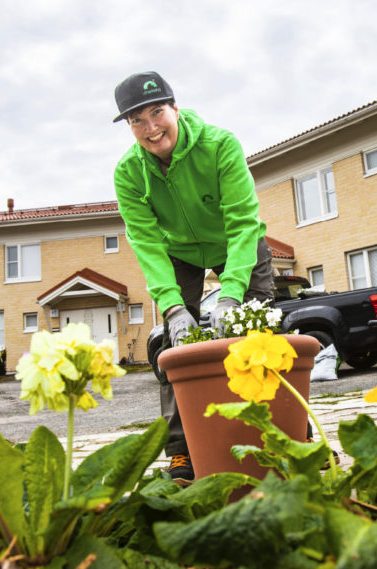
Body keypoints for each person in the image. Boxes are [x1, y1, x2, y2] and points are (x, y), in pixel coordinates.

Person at [112, 71, 274, 480]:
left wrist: (231, 294)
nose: (151, 128)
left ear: (175, 108)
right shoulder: (129, 173)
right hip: (179, 252)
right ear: (128, 126)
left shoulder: (220, 146)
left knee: (258, 338)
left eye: (157, 112)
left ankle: (287, 435)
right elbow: (147, 244)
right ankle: (183, 450)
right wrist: (172, 308)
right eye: (137, 121)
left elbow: (241, 222)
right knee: (175, 347)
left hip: (237, 245)